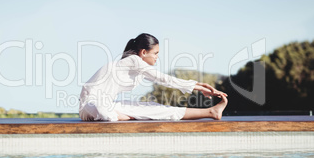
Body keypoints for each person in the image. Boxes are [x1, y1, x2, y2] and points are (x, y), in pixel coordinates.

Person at [79, 33, 228, 121]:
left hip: (107, 105)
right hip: (91, 106)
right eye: (155, 53)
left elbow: (165, 80)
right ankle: (123, 115)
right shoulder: (134, 60)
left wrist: (199, 86)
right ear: (143, 52)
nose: (157, 57)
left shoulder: (135, 66)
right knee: (107, 110)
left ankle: (211, 112)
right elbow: (165, 79)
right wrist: (200, 86)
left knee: (154, 108)